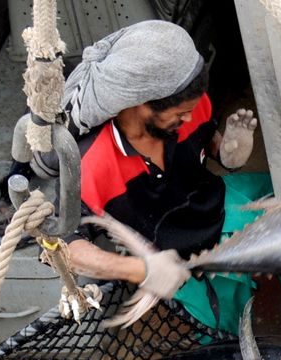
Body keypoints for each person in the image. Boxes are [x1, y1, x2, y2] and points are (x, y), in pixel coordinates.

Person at [60, 20, 270, 334]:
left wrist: (225, 152)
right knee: (242, 326)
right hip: (178, 258)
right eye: (180, 114)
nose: (189, 117)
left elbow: (203, 136)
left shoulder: (191, 108)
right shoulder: (91, 165)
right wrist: (141, 269)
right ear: (140, 105)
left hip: (223, 205)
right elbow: (66, 249)